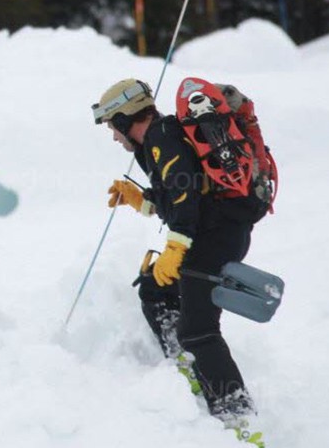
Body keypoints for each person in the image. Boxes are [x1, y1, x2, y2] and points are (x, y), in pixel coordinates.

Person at [92, 78, 259, 429]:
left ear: (125, 119)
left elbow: (186, 200)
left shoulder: (163, 138)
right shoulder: (158, 142)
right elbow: (182, 194)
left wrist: (174, 248)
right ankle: (188, 368)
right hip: (213, 233)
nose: (113, 136)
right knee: (155, 291)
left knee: (199, 329)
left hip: (216, 238)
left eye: (112, 126)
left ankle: (239, 418)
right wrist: (141, 201)